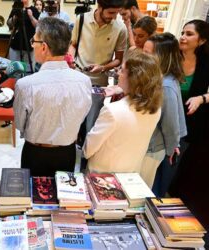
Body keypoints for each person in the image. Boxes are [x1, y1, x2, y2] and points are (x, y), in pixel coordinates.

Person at [14, 17, 92, 176]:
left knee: (33, 196)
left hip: (35, 152)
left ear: (43, 47)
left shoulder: (25, 84)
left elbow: (20, 124)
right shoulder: (84, 81)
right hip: (68, 152)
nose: (32, 45)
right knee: (61, 198)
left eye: (33, 41)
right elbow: (82, 115)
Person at [83, 50, 162, 174]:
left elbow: (88, 149)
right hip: (130, 173)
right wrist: (120, 89)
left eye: (122, 70)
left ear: (134, 78)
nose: (118, 73)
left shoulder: (112, 111)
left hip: (102, 174)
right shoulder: (156, 110)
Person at [170, 20, 209, 228]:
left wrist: (201, 98)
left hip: (190, 124)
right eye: (182, 32)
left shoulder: (206, 62)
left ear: (201, 40)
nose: (183, 37)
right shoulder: (172, 56)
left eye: (189, 34)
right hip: (166, 120)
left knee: (176, 164)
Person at [141, 33, 187, 189]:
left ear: (161, 56)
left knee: (143, 186)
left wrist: (171, 148)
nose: (143, 56)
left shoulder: (165, 85)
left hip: (154, 147)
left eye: (148, 53)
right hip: (152, 144)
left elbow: (170, 123)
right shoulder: (161, 77)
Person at [69, 0, 127, 86]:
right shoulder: (81, 19)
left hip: (100, 81)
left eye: (117, 13)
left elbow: (118, 59)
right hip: (77, 76)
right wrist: (71, 60)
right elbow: (73, 45)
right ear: (99, 7)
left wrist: (103, 68)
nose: (114, 17)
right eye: (111, 12)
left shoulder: (121, 28)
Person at [7, 0, 40, 72]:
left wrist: (31, 16)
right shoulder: (16, 9)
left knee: (28, 70)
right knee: (15, 70)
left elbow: (38, 26)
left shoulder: (34, 10)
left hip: (29, 45)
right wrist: (15, 16)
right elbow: (9, 24)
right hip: (16, 44)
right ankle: (16, 83)